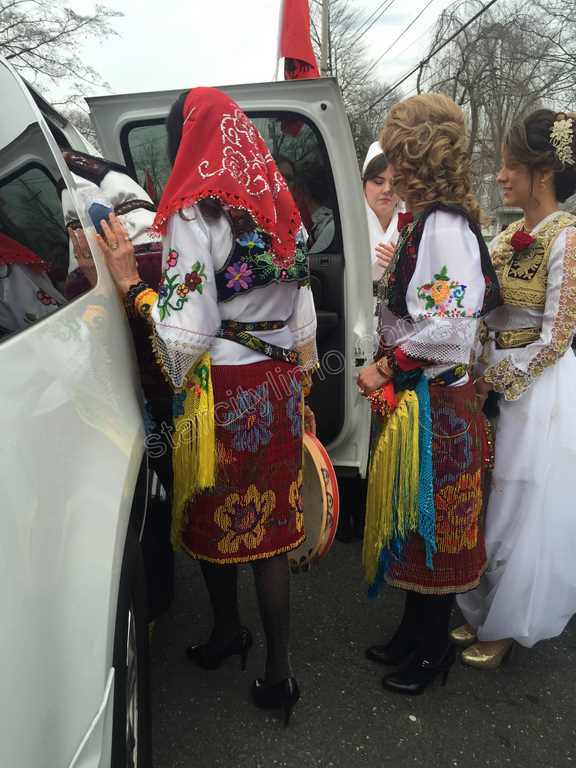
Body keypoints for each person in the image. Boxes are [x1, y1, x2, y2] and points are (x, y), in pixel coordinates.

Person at [97, 87, 318, 725]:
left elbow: (184, 340)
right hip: (277, 390)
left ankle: (226, 633)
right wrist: (300, 382)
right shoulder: (284, 210)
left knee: (213, 516)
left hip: (224, 399)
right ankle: (279, 674)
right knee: (271, 531)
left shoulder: (196, 215)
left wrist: (133, 288)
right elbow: (301, 309)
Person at [356, 93, 500, 695]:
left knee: (435, 523)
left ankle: (434, 648)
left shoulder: (442, 224)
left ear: (415, 151)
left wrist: (387, 365)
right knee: (417, 517)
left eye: (396, 144)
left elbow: (451, 328)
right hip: (427, 399)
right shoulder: (427, 219)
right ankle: (415, 630)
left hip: (437, 400)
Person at [455, 109, 576, 667]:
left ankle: (509, 622)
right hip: (496, 381)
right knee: (489, 496)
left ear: (543, 172)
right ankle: (482, 608)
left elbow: (556, 335)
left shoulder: (567, 239)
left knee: (522, 499)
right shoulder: (504, 235)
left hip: (539, 391)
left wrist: (499, 381)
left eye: (510, 166)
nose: (501, 176)